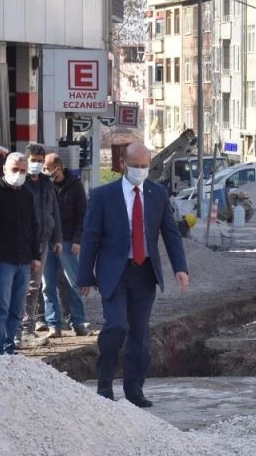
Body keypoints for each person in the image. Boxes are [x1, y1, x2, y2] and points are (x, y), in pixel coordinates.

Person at [78, 142, 189, 407]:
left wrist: (180, 268)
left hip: (145, 273)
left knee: (139, 334)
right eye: (136, 166)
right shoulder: (104, 195)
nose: (140, 171)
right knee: (117, 326)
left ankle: (134, 390)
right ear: (123, 164)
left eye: (145, 166)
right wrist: (85, 276)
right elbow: (91, 236)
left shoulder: (157, 193)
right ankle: (105, 385)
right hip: (114, 272)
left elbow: (170, 233)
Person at [0, 152, 42, 356]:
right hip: (0, 260)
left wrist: (35, 255)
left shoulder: (27, 194)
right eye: (15, 170)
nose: (19, 174)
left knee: (16, 308)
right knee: (1, 305)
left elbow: (33, 226)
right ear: (4, 169)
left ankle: (9, 345)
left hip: (23, 260)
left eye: (23, 170)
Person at [40, 153, 90, 337]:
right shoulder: (44, 185)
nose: (44, 171)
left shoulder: (75, 186)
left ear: (58, 168)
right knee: (48, 284)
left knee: (72, 282)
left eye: (46, 168)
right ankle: (54, 324)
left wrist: (78, 240)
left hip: (68, 241)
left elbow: (82, 215)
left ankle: (78, 321)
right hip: (47, 241)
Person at [19, 143, 62, 347]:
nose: (36, 164)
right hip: (24, 241)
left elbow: (54, 211)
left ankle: (28, 328)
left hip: (44, 240)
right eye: (33, 160)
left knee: (35, 286)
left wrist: (57, 238)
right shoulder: (19, 182)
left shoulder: (46, 183)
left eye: (39, 161)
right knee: (21, 285)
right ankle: (16, 328)